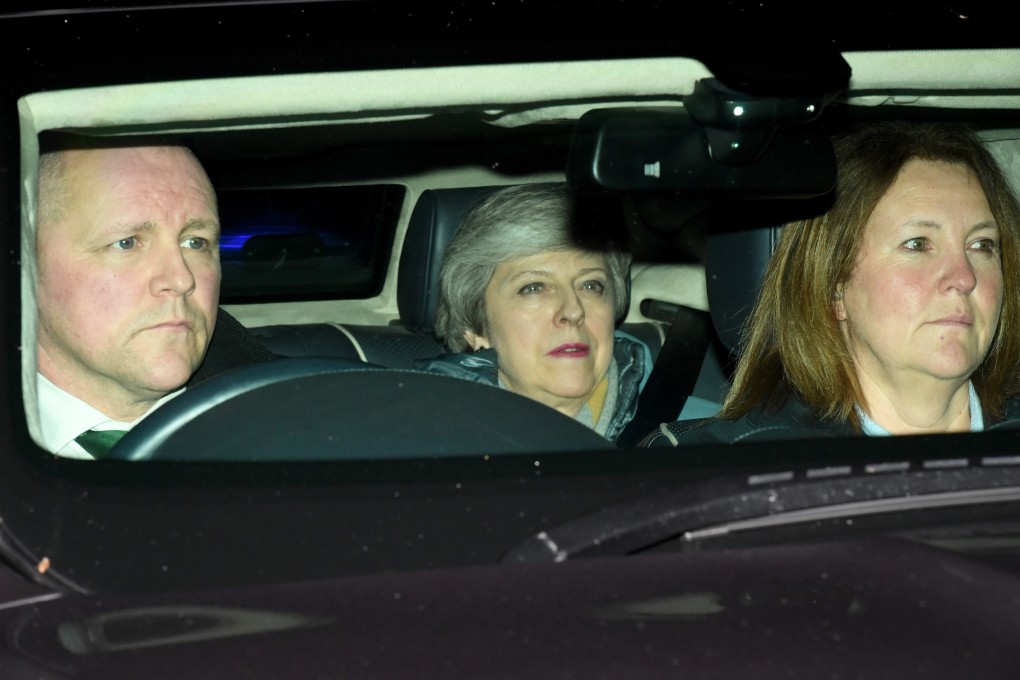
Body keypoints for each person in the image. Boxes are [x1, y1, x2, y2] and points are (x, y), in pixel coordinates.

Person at [643, 121, 1020, 446]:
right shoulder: (720, 470)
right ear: (834, 286)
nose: (964, 277)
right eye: (917, 244)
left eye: (982, 245)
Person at [33, 140, 276, 459]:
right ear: (24, 263)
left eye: (195, 242)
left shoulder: (309, 418)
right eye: (126, 243)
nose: (181, 279)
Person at [417, 183, 651, 443]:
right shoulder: (421, 442)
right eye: (533, 288)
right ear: (475, 328)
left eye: (590, 285)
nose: (573, 311)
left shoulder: (686, 434)